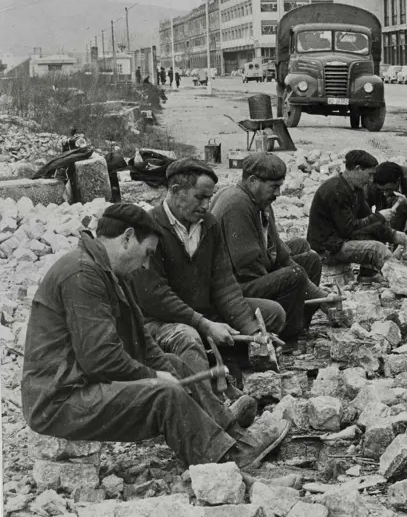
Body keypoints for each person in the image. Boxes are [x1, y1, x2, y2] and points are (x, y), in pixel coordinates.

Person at [21, 204, 288, 469]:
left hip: (82, 385)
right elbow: (100, 358)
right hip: (59, 401)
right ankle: (225, 457)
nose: (147, 264)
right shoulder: (82, 274)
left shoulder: (110, 272)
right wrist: (153, 376)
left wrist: (163, 369)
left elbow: (143, 343)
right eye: (147, 253)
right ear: (127, 238)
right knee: (164, 393)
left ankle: (234, 435)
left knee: (174, 363)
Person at [132, 159, 287, 385]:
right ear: (175, 191)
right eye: (200, 197)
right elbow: (156, 296)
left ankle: (224, 357)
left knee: (273, 314)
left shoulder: (209, 224)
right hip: (162, 321)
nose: (206, 205)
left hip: (205, 314)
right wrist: (203, 324)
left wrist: (253, 332)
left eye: (209, 197)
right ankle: (205, 392)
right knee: (188, 337)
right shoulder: (150, 226)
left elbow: (224, 284)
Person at [211, 152, 339, 341]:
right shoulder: (237, 205)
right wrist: (288, 278)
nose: (278, 193)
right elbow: (248, 269)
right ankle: (287, 337)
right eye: (274, 187)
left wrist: (320, 295)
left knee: (309, 259)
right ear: (253, 181)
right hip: (235, 285)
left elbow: (279, 251)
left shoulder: (259, 200)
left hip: (252, 272)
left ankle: (301, 323)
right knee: (294, 275)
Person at [307, 150, 407, 274]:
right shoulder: (335, 190)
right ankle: (403, 278)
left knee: (375, 229)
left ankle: (368, 275)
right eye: (369, 174)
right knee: (377, 249)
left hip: (340, 241)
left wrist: (402, 238)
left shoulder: (356, 189)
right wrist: (379, 217)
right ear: (357, 169)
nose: (371, 180)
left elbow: (369, 222)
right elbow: (350, 229)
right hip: (327, 249)